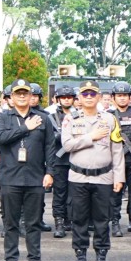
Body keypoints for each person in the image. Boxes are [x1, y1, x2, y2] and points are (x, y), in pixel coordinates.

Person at [61, 80, 125, 261]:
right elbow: (67, 145)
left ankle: (101, 258)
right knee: (78, 219)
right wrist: (92, 137)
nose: (89, 97)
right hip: (79, 177)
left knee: (102, 219)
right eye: (85, 94)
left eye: (92, 94)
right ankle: (80, 258)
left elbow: (117, 150)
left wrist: (119, 177)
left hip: (104, 177)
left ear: (98, 97)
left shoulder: (109, 119)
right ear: (79, 98)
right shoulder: (71, 119)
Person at [0, 80, 52, 261]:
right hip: (10, 177)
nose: (21, 96)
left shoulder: (44, 118)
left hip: (35, 177)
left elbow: (50, 148)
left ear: (30, 96)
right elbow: (1, 138)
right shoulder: (3, 118)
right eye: (17, 93)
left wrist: (50, 172)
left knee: (33, 223)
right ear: (11, 97)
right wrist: (25, 128)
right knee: (11, 223)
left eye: (25, 93)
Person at [108, 81, 131, 238]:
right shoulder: (108, 115)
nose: (122, 99)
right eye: (119, 96)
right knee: (115, 194)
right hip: (116, 161)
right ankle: (115, 223)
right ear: (113, 98)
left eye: (125, 96)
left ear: (130, 97)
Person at [46, 85, 77, 238]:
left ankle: (69, 220)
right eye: (63, 97)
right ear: (58, 99)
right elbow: (50, 138)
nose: (66, 99)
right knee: (59, 193)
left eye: (69, 97)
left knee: (74, 193)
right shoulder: (51, 117)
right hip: (59, 160)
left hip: (76, 159)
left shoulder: (78, 115)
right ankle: (59, 223)